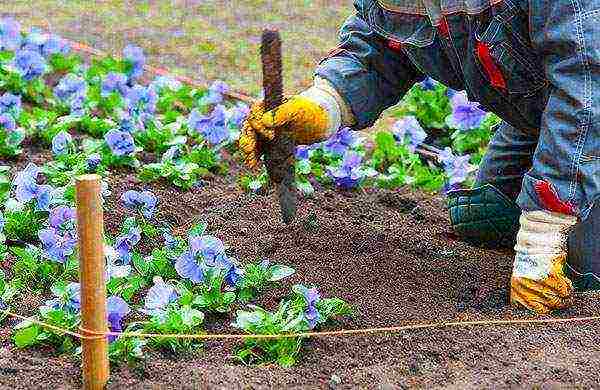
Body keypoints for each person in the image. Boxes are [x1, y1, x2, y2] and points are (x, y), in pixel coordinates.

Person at [239, 0, 600, 314]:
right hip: (539, 112)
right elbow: (378, 46)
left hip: (587, 109)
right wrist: (323, 105)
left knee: (583, 265)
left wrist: (543, 228)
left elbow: (585, 90)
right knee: (489, 216)